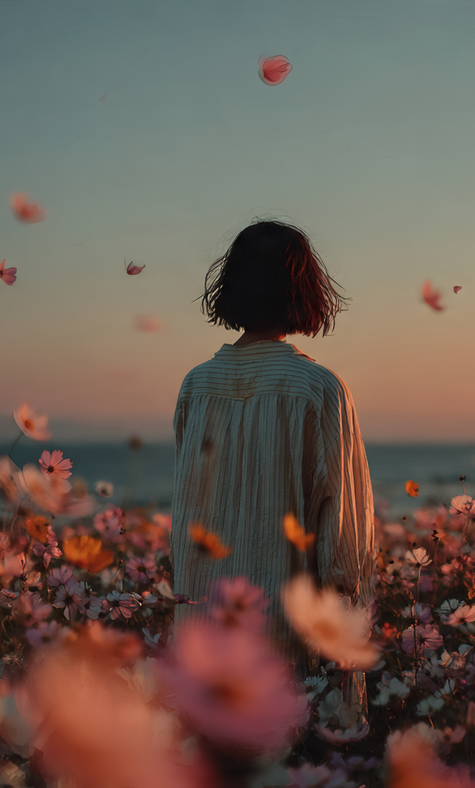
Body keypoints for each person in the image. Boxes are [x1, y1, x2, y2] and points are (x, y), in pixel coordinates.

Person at [168, 219, 375, 721]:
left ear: (231, 285)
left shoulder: (196, 386)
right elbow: (343, 533)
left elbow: (189, 507)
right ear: (305, 290)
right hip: (285, 642)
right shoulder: (319, 389)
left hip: (202, 638)